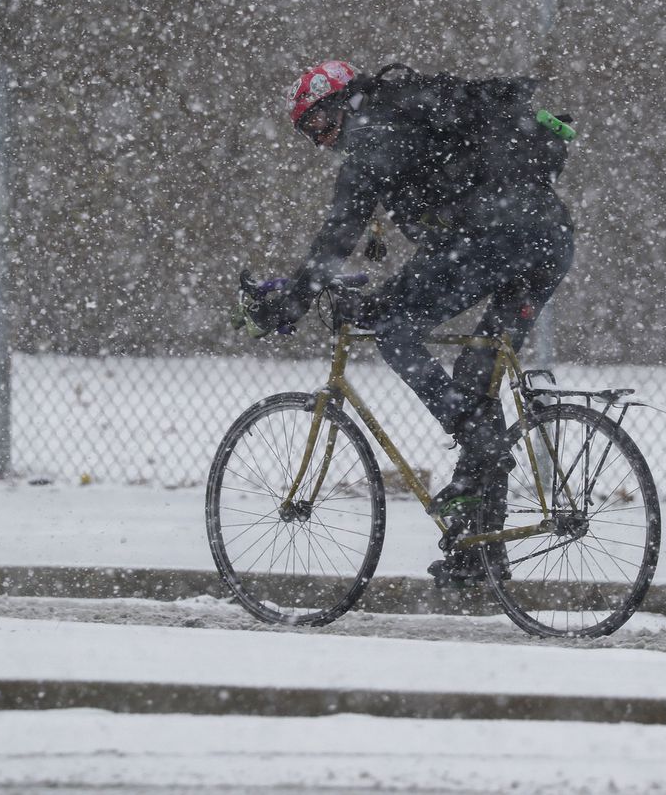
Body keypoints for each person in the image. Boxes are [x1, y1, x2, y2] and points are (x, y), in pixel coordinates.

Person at [245, 59, 576, 583]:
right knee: (476, 373)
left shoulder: (374, 133)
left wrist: (295, 299)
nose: (318, 139)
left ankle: (478, 446)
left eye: (315, 123)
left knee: (395, 326)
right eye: (307, 133)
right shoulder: (411, 115)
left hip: (492, 237)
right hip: (548, 239)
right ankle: (480, 548)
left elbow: (340, 230)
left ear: (340, 102)